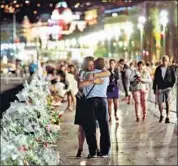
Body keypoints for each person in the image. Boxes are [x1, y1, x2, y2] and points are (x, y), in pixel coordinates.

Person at [75, 56, 110, 158]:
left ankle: (93, 151)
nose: (91, 66)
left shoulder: (86, 73)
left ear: (94, 63)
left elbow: (81, 84)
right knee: (103, 126)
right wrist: (95, 80)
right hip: (102, 100)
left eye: (92, 64)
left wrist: (93, 76)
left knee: (91, 127)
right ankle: (104, 151)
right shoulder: (105, 74)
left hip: (91, 101)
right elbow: (108, 73)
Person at [153, 55, 176, 123]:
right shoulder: (158, 69)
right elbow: (155, 79)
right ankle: (161, 115)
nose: (164, 62)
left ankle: (167, 116)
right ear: (162, 61)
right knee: (160, 102)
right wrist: (154, 89)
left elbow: (174, 78)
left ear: (168, 61)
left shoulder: (171, 68)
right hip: (160, 88)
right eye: (163, 60)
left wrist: (171, 86)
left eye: (166, 60)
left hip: (168, 88)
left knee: (167, 102)